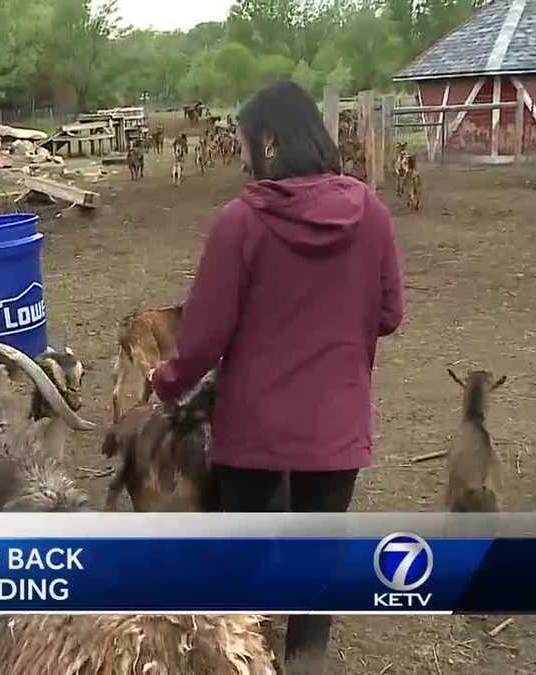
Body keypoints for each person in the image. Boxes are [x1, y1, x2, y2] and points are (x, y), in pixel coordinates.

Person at [149, 79, 404, 673]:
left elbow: (204, 340)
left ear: (267, 141)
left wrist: (165, 382)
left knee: (246, 565)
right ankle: (305, 662)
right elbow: (389, 314)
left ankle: (245, 657)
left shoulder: (239, 224)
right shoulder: (371, 213)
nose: (240, 157)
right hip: (336, 431)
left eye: (242, 143)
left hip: (254, 435)